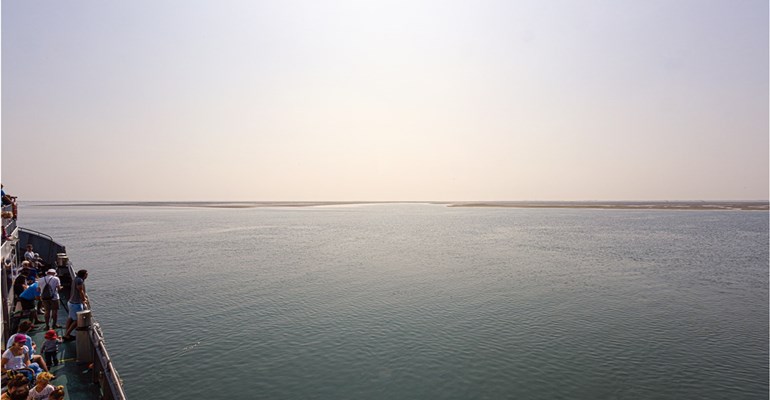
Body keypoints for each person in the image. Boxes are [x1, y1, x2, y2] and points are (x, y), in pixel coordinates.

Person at [63, 270, 88, 341]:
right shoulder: (80, 280)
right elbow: (80, 290)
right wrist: (84, 299)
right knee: (77, 320)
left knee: (70, 318)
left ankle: (66, 333)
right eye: (86, 274)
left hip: (71, 302)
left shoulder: (75, 279)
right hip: (76, 303)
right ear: (83, 275)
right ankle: (67, 334)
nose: (87, 275)